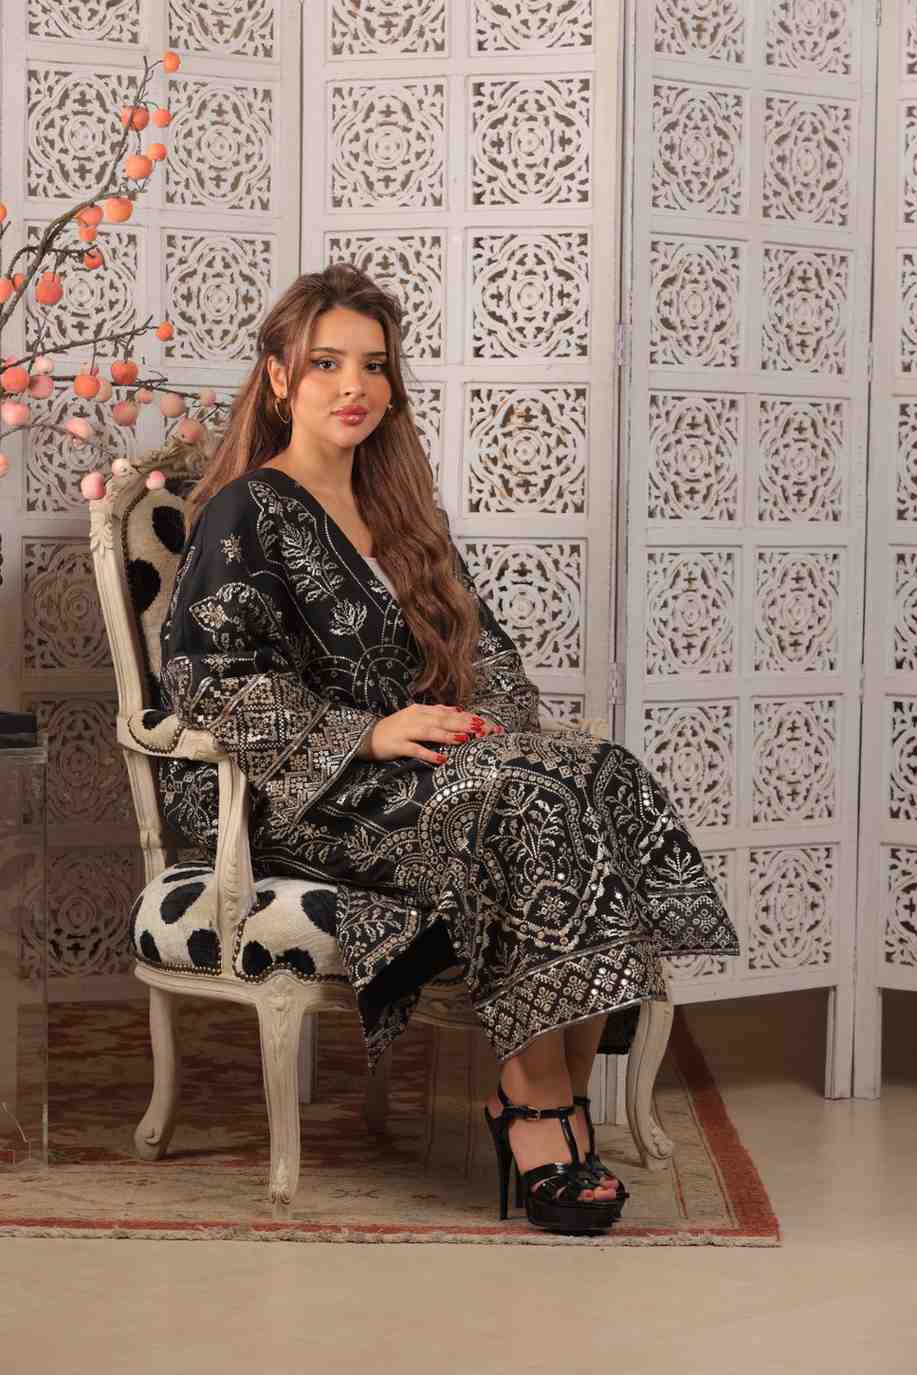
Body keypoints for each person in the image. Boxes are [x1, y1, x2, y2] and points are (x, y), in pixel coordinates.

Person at [159, 263, 740, 1234]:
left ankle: (556, 1097)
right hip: (289, 789)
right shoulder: (246, 510)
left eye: (373, 365)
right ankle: (534, 1102)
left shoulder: (400, 514)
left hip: (427, 775)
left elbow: (487, 655)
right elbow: (207, 678)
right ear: (279, 377)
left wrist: (491, 731)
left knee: (596, 773)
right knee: (519, 801)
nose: (354, 385)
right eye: (326, 363)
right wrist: (369, 733)